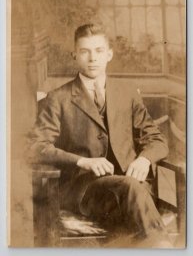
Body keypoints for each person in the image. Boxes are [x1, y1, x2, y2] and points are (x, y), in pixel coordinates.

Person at [29, 23, 171, 247]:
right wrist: (82, 161)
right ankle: (164, 248)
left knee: (131, 208)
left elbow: (157, 140)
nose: (92, 58)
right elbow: (37, 147)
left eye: (98, 51)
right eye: (85, 51)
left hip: (133, 190)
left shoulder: (127, 93)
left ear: (109, 55)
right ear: (74, 55)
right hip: (85, 190)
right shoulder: (58, 98)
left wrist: (144, 158)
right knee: (133, 195)